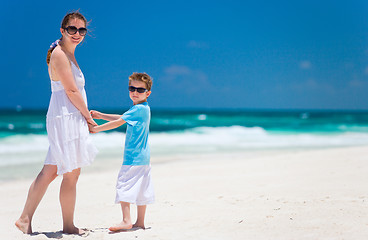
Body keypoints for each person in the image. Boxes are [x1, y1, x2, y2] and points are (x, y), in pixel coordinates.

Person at [15, 11, 98, 235]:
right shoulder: (60, 54)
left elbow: (73, 90)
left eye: (82, 30)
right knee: (70, 172)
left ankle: (25, 219)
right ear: (63, 30)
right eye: (72, 29)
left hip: (68, 114)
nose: (77, 34)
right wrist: (88, 118)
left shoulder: (67, 53)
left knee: (52, 170)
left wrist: (86, 113)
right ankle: (67, 226)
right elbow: (70, 90)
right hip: (66, 116)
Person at [90, 72, 155, 231]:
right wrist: (101, 115)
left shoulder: (138, 109)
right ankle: (140, 222)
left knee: (123, 185)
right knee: (142, 189)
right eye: (132, 88)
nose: (135, 92)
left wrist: (97, 129)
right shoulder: (143, 108)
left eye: (140, 90)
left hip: (133, 158)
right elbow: (122, 118)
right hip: (144, 158)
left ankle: (126, 220)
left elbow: (119, 122)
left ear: (148, 93)